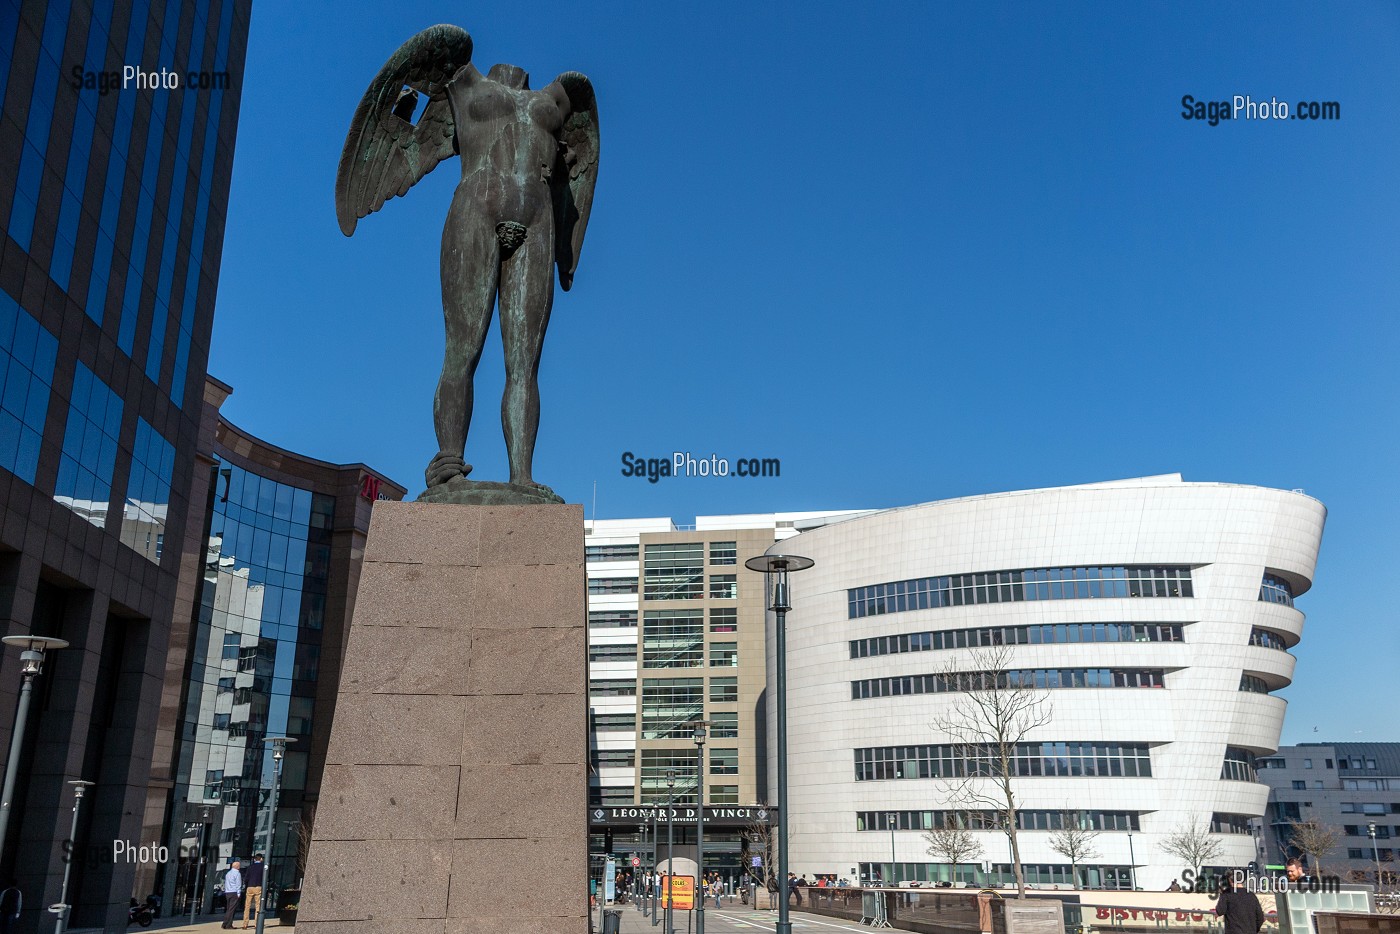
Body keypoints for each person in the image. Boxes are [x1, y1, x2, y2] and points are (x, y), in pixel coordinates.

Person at [241, 853, 265, 929]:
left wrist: (246, 884)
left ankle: (245, 924)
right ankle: (256, 924)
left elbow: (246, 878)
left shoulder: (250, 867)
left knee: (247, 906)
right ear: (261, 859)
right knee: (258, 906)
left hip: (250, 886)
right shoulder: (263, 867)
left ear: (254, 859)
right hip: (258, 886)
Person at [221, 861, 243, 929]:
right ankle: (227, 924)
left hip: (228, 892)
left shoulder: (228, 873)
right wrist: (238, 893)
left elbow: (226, 883)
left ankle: (226, 923)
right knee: (232, 909)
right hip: (234, 892)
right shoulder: (237, 873)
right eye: (239, 865)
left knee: (229, 909)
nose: (240, 866)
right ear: (237, 866)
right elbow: (238, 884)